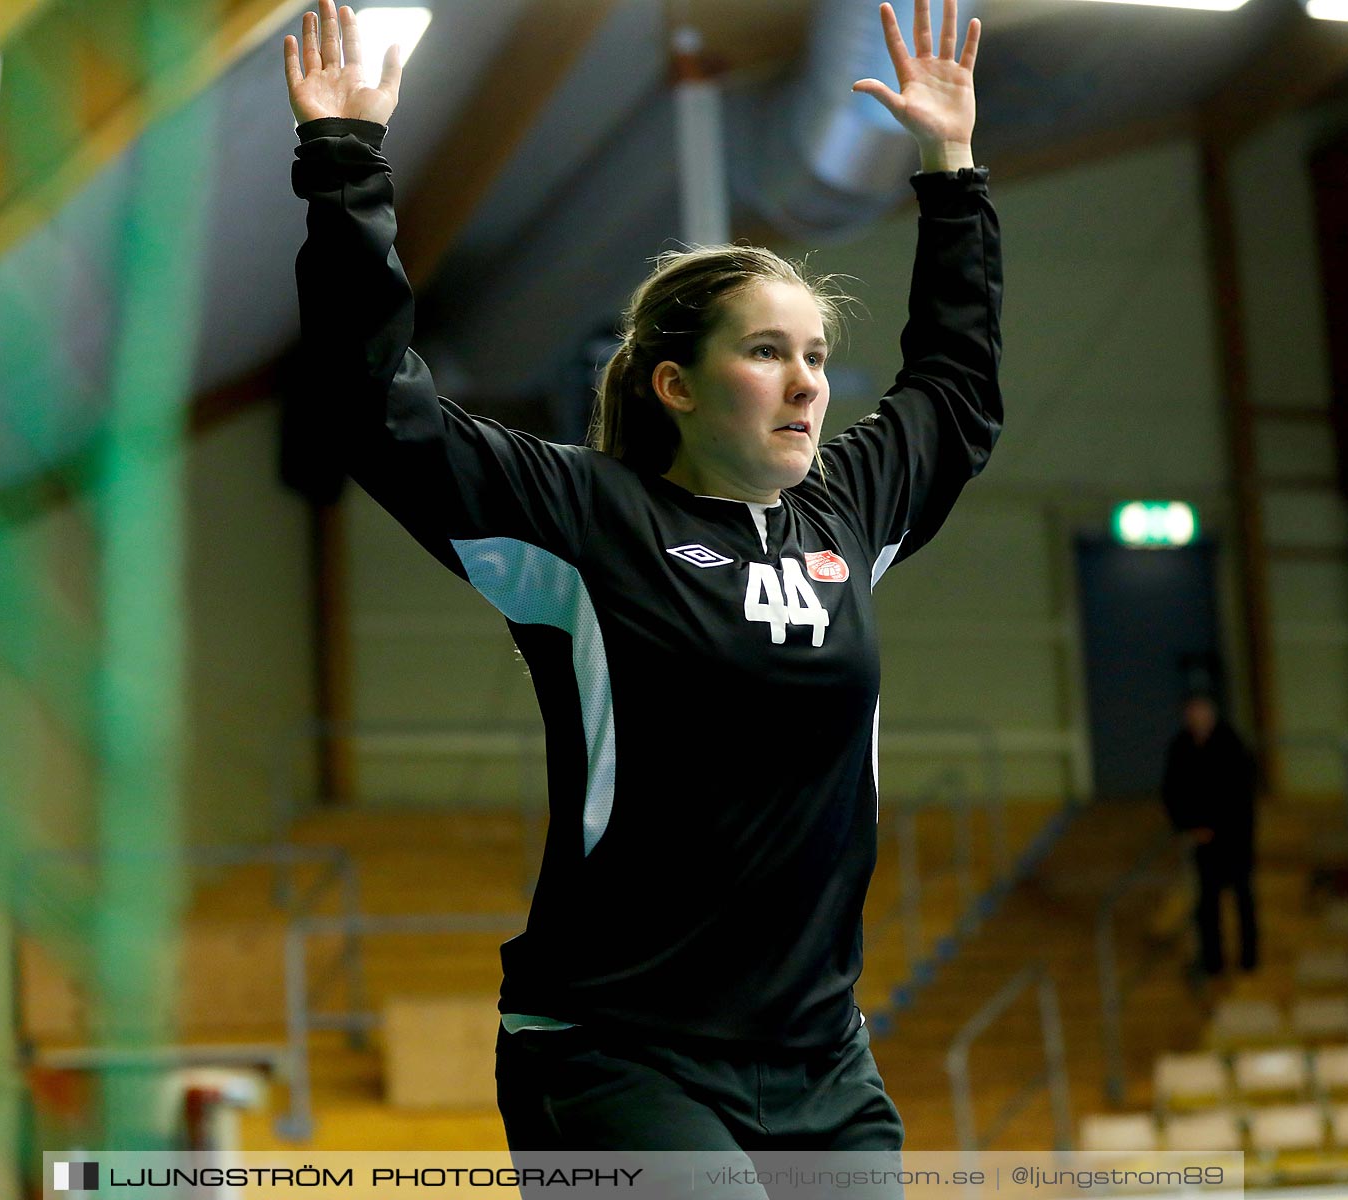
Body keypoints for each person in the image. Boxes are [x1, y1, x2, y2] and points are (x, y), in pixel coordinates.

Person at [282, 0, 999, 1156]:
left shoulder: (849, 514)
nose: (808, 383)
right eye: (767, 353)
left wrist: (951, 169)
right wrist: (344, 159)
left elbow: (956, 390)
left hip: (820, 1063)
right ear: (675, 383)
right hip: (616, 1051)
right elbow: (378, 406)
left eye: (816, 355)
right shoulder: (584, 521)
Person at [1161, 692, 1260, 977]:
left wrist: (1215, 826)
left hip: (1235, 837)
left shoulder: (1231, 745)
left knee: (1243, 898)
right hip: (1201, 840)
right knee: (1208, 903)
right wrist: (1189, 825)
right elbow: (1172, 791)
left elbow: (1239, 793)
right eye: (1192, 715)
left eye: (1201, 713)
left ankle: (1249, 959)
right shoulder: (1181, 747)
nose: (1197, 720)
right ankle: (1213, 960)